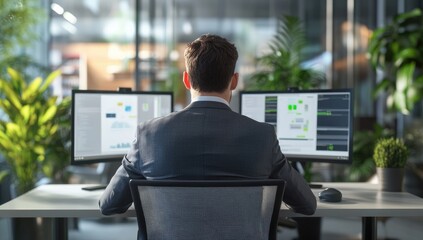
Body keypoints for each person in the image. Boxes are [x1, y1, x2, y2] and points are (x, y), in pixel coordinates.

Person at [99, 34, 316, 216]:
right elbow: (307, 204)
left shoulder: (148, 135)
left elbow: (109, 204)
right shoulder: (262, 136)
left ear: (186, 80)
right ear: (234, 81)